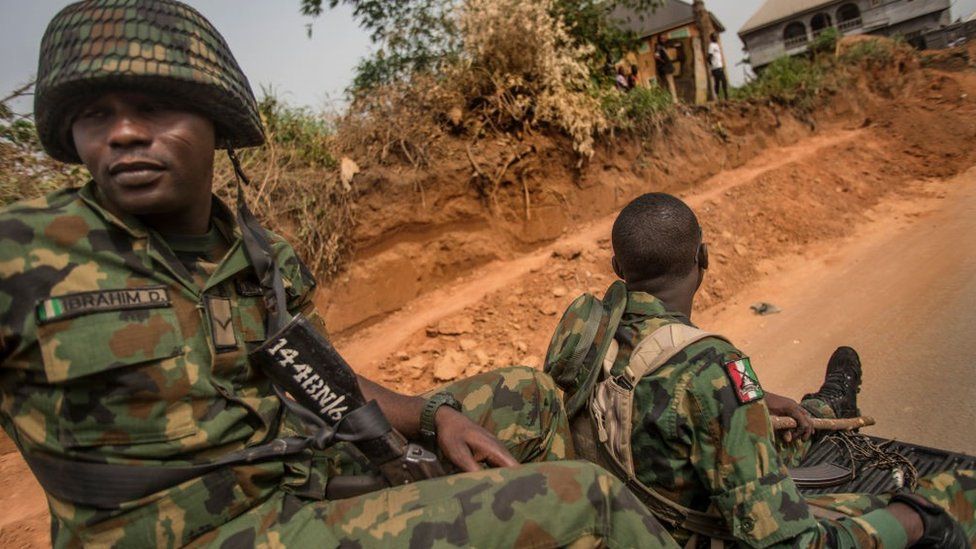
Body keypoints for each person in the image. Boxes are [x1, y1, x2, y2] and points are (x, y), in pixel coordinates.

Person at [0, 2, 682, 547]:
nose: (122, 133)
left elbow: (323, 377)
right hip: (223, 531)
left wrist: (433, 413)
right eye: (96, 115)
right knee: (587, 500)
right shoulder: (23, 253)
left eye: (152, 108)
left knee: (529, 397)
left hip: (299, 480)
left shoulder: (259, 256)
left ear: (214, 120)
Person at [547, 192, 975, 548]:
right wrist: (915, 522)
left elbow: (685, 388)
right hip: (684, 531)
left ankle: (825, 407)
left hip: (637, 503)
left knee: (789, 423)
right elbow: (787, 542)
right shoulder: (713, 366)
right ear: (704, 258)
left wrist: (758, 396)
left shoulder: (596, 332)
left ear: (618, 270)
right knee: (951, 493)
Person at [654, 36, 679, 102]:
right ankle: (674, 101)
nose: (664, 40)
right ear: (659, 40)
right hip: (665, 69)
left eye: (664, 38)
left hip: (667, 69)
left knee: (670, 84)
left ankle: (673, 100)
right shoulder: (658, 48)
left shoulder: (663, 47)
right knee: (669, 85)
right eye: (662, 39)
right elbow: (656, 56)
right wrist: (664, 62)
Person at [709, 33, 729, 101]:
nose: (716, 38)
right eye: (714, 37)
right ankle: (718, 97)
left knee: (723, 81)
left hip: (719, 66)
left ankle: (726, 96)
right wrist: (712, 65)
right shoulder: (711, 46)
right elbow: (709, 56)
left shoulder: (717, 45)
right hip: (715, 67)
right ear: (712, 38)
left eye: (716, 37)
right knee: (718, 82)